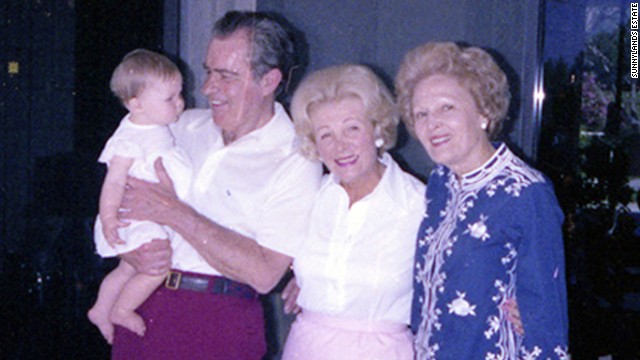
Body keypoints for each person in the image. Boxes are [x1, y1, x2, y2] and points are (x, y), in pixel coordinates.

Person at [111, 11, 322, 360]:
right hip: (142, 307)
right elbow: (121, 197)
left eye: (226, 76)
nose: (207, 88)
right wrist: (127, 253)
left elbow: (266, 273)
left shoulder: (296, 158)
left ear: (269, 81)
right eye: (209, 71)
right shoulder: (177, 128)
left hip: (217, 321)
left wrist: (175, 213)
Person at [395, 42, 570, 359]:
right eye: (421, 114)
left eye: (447, 108)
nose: (432, 124)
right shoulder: (440, 182)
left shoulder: (526, 192)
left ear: (484, 112)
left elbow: (546, 319)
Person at [280, 64, 425, 359]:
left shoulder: (419, 205)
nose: (340, 146)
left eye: (352, 128)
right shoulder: (310, 196)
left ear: (377, 129)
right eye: (325, 135)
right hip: (306, 347)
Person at [87, 49, 189, 345]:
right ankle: (122, 309)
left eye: (179, 93)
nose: (180, 102)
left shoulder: (154, 126)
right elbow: (115, 181)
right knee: (157, 266)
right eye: (170, 98)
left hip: (148, 213)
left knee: (128, 267)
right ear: (137, 104)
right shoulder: (130, 138)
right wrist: (108, 219)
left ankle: (101, 309)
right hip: (130, 217)